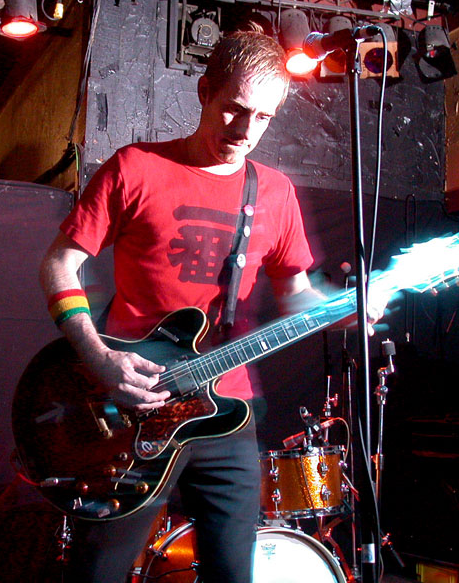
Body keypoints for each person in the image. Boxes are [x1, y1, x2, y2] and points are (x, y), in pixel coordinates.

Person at [39, 29, 382, 583]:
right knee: (96, 573)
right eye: (234, 110)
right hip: (133, 406)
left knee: (233, 574)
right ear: (204, 91)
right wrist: (99, 357)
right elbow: (59, 263)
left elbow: (296, 297)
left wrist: (344, 310)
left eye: (263, 118)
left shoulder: (275, 192)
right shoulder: (135, 167)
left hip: (226, 411)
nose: (245, 131)